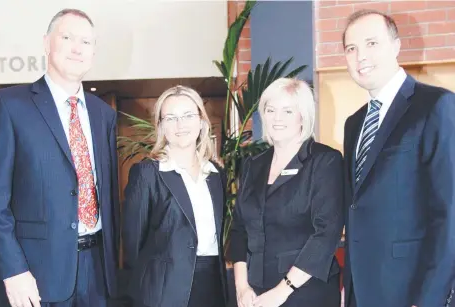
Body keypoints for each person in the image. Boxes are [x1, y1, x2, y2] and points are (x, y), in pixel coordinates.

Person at [0, 9, 119, 307]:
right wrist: (13, 271)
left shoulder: (104, 114)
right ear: (46, 43)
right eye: (67, 37)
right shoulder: (11, 106)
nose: (77, 48)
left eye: (86, 42)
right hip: (35, 276)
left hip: (98, 272)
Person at [342, 9, 455, 307]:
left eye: (371, 44)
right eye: (351, 49)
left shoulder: (437, 106)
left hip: (412, 292)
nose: (360, 56)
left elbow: (449, 212)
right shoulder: (354, 124)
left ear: (396, 46)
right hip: (361, 291)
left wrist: (429, 298)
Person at [229, 78, 344, 307]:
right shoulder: (253, 164)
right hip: (255, 294)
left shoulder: (324, 161)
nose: (277, 118)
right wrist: (242, 287)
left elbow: (325, 234)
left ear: (303, 116)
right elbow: (239, 229)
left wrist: (283, 290)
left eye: (287, 111)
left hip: (306, 292)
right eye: (270, 110)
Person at [121, 85, 228, 307]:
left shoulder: (216, 174)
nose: (180, 125)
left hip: (213, 287)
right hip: (163, 291)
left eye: (188, 115)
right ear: (161, 126)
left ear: (201, 121)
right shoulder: (147, 173)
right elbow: (133, 246)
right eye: (171, 118)